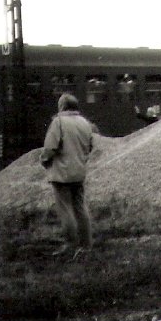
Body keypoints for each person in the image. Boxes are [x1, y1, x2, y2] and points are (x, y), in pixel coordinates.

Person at [39, 93, 96, 258]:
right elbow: (90, 146)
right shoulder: (85, 123)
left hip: (61, 174)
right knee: (80, 208)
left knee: (66, 210)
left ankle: (70, 245)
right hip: (79, 172)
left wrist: (44, 160)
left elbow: (50, 148)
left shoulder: (58, 122)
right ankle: (86, 245)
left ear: (62, 106)